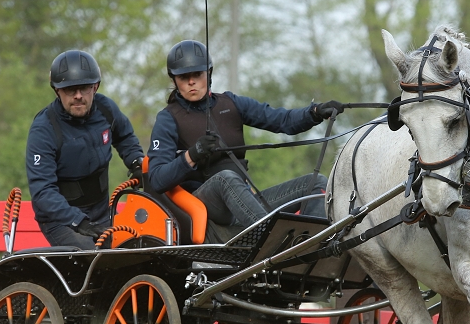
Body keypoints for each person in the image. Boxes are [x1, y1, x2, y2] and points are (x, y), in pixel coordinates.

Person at [147, 40, 341, 233]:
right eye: (183, 77)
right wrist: (192, 155)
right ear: (174, 80)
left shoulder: (231, 103)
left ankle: (310, 245)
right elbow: (157, 179)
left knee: (316, 183)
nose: (191, 82)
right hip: (207, 204)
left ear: (209, 73)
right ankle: (273, 241)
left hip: (245, 203)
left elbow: (283, 120)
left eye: (197, 74)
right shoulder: (168, 118)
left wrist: (314, 112)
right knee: (226, 178)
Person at [26, 50, 144, 249]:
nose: (78, 96)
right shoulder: (43, 129)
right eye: (70, 90)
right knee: (90, 256)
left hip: (101, 211)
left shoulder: (106, 109)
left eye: (84, 88)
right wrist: (79, 221)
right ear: (57, 90)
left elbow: (125, 137)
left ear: (95, 87)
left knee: (133, 249)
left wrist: (136, 162)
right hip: (60, 219)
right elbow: (43, 192)